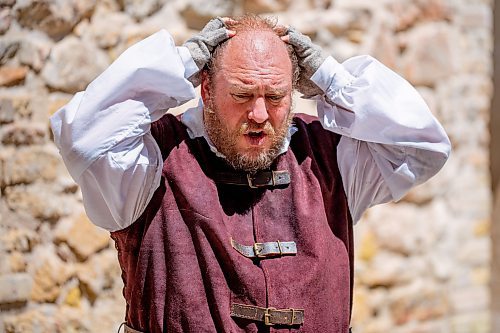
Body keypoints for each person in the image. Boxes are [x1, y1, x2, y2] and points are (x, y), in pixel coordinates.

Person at [50, 15, 450, 333]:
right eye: (242, 95)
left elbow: (424, 147)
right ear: (205, 90)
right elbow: (83, 136)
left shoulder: (332, 159)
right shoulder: (147, 163)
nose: (259, 116)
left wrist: (331, 78)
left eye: (275, 97)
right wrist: (182, 63)